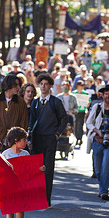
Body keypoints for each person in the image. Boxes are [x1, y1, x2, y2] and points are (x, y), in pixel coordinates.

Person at [28, 73, 68, 207]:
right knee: (36, 169)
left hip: (50, 138)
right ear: (38, 85)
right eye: (41, 84)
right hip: (37, 138)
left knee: (48, 169)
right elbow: (31, 120)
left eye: (46, 84)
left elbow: (64, 118)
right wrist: (29, 136)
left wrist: (57, 133)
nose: (43, 86)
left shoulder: (55, 102)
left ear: (50, 86)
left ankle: (46, 198)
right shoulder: (35, 102)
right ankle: (35, 196)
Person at [2, 127, 44, 218]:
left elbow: (30, 169)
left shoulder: (25, 154)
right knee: (9, 208)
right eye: (24, 140)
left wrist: (39, 168)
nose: (26, 142)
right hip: (9, 185)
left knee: (20, 206)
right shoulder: (5, 154)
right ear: (16, 140)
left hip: (21, 185)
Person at [85, 86, 109, 201]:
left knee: (105, 166)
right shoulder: (97, 107)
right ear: (102, 95)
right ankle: (101, 186)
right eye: (105, 94)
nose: (107, 96)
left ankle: (104, 190)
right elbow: (89, 123)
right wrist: (97, 130)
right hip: (97, 141)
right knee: (98, 168)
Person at [0, 75, 28, 147]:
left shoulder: (21, 102)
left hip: (14, 142)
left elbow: (24, 123)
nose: (19, 87)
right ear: (8, 85)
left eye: (19, 85)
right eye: (16, 85)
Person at [72, 80, 90, 147]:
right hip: (75, 111)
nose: (81, 87)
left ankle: (79, 139)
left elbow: (88, 102)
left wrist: (86, 104)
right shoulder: (74, 93)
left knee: (80, 125)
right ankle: (76, 137)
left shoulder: (86, 93)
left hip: (82, 111)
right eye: (80, 86)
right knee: (75, 125)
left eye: (82, 86)